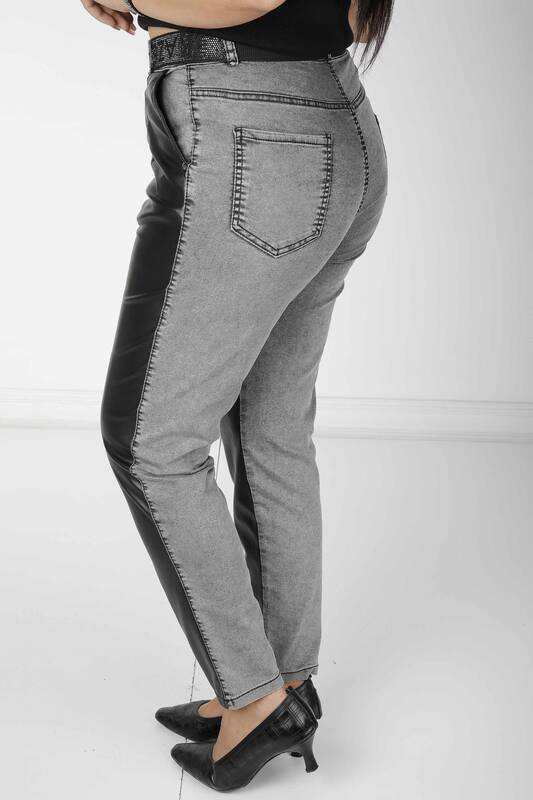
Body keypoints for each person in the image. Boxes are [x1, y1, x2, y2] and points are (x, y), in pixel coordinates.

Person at [82, 0, 393, 790]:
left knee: (152, 442)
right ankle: (284, 681)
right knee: (269, 427)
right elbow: (348, 16)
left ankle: (256, 703)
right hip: (329, 122)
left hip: (257, 135)